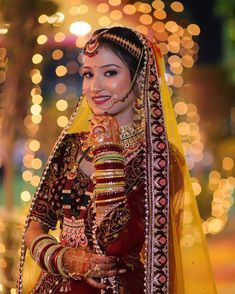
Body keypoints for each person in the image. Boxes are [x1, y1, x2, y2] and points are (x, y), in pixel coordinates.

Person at [17, 26, 217, 294]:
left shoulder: (159, 158)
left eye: (110, 72)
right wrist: (63, 258)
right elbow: (34, 226)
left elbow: (115, 243)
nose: (94, 86)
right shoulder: (70, 147)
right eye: (88, 74)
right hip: (56, 286)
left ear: (139, 78)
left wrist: (108, 151)